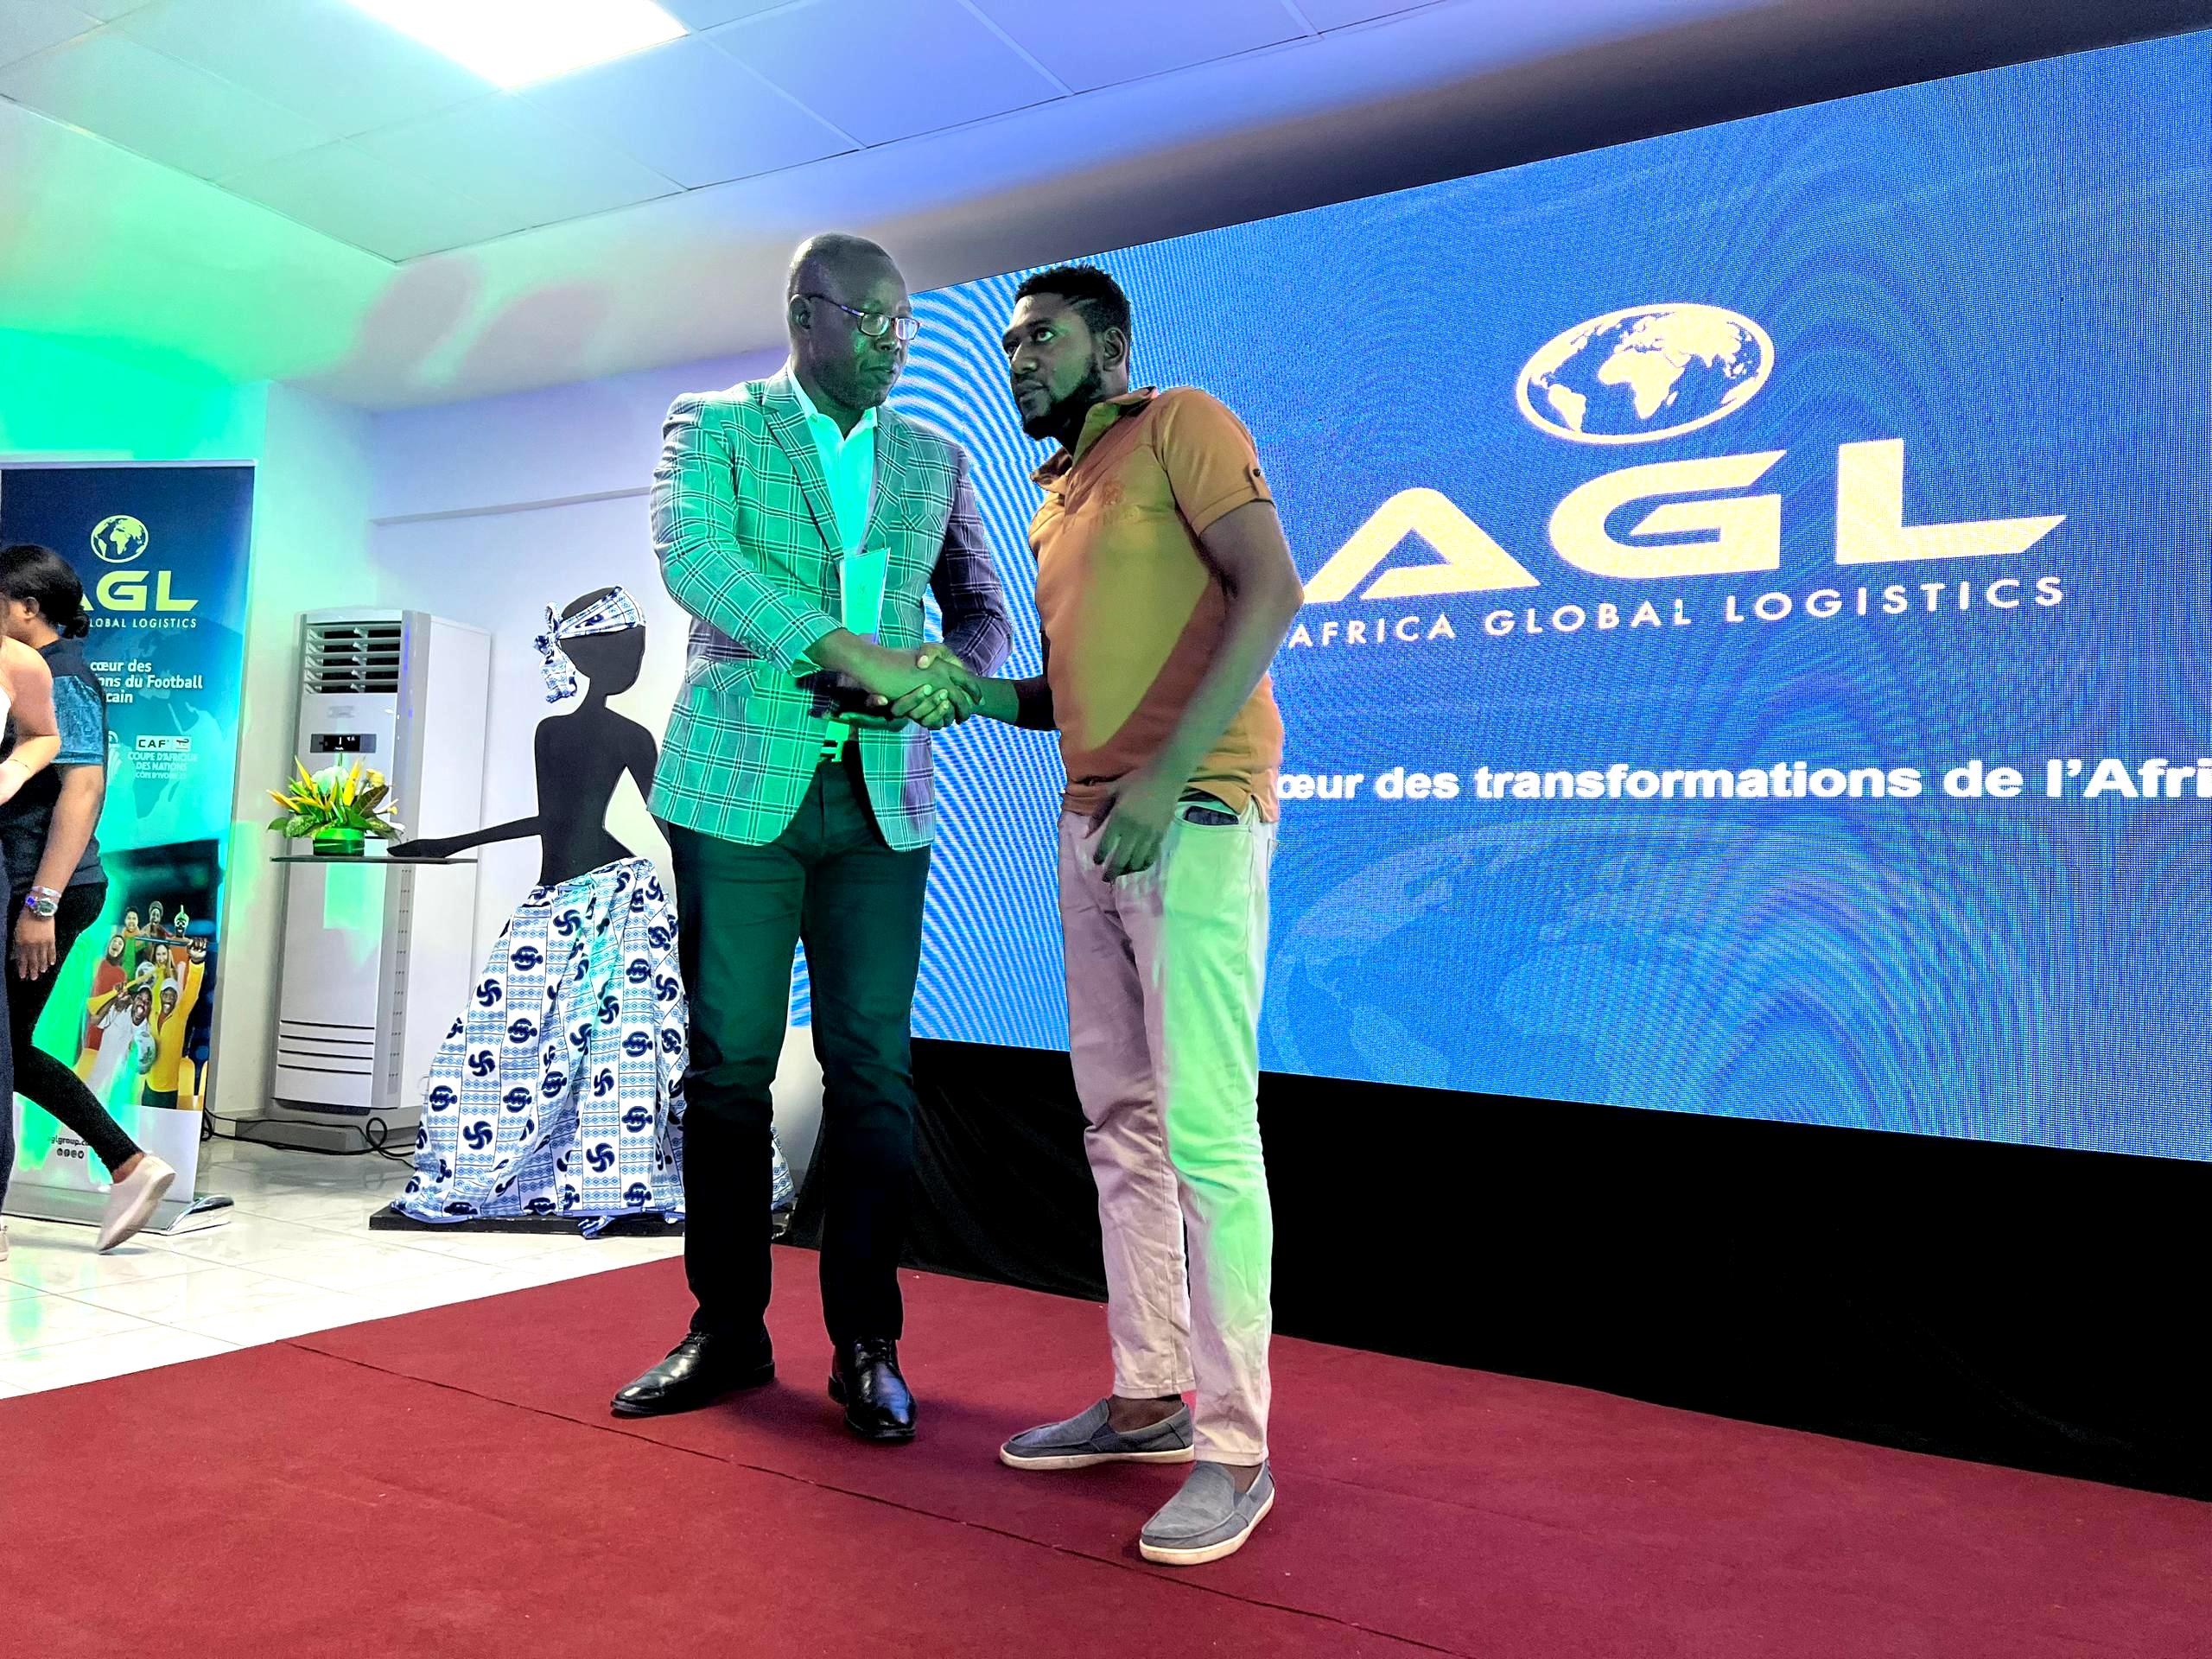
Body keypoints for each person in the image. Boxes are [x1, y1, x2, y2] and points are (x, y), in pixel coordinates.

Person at [916, 266, 1304, 1564]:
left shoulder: (1182, 422)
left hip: (1193, 813)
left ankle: (1235, 1449)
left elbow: (1272, 590)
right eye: (1010, 345)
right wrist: (971, 695)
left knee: (1207, 1135)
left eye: (1044, 338)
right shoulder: (1050, 498)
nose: (1019, 359)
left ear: (1113, 346)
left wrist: (1163, 773)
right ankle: (1147, 1397)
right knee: (1119, 1127)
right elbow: (1068, 693)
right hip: (1089, 825)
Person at [612, 233, 1010, 1441]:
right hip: (738, 787)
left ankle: (868, 1343)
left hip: (884, 799)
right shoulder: (716, 424)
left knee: (874, 1070)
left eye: (907, 323)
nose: (898, 342)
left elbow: (980, 607)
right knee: (730, 1067)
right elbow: (696, 559)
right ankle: (727, 1329)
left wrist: (945, 673)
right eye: (874, 320)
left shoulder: (934, 455)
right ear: (807, 314)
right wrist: (846, 652)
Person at [387, 588, 794, 1227]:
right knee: (516, 1037)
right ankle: (559, 1173)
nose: (634, 661)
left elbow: (669, 825)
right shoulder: (561, 732)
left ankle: (622, 1177)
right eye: (624, 650)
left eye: (639, 650)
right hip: (567, 899)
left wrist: (725, 887)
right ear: (585, 656)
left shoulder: (623, 736)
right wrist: (453, 842)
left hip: (620, 897)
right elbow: (557, 820)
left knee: (627, 1043)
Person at [4, 550, 153, 1260]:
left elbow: (83, 790)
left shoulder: (58, 675)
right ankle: (129, 1163)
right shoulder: (44, 668)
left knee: (6, 1049)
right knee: (10, 1046)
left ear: (27, 607)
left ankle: (129, 1161)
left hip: (42, 886)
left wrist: (42, 904)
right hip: (32, 882)